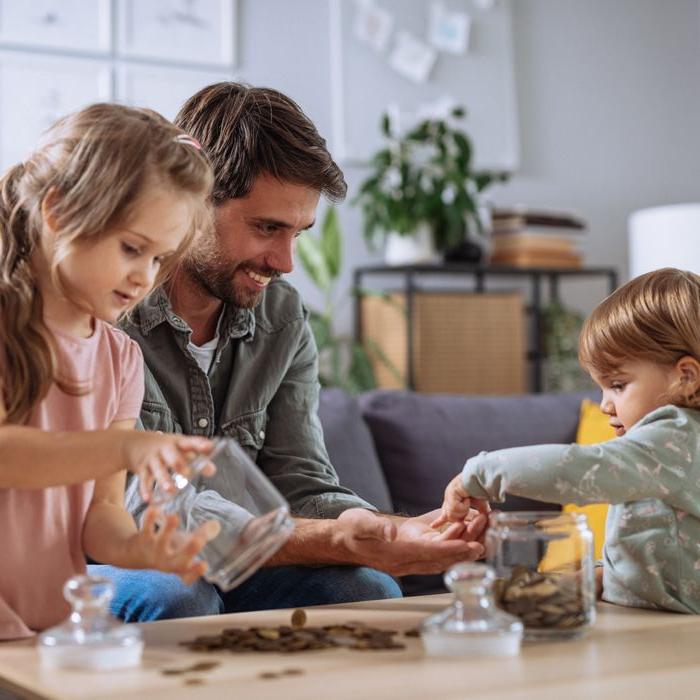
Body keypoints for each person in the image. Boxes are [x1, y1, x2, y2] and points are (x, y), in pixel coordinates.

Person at [102, 82, 487, 622]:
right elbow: (142, 510)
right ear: (190, 201)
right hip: (115, 554)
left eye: (299, 233)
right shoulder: (107, 312)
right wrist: (339, 540)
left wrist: (388, 530)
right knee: (179, 594)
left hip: (237, 564)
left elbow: (302, 482)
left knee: (365, 590)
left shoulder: (280, 317)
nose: (285, 261)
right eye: (267, 228)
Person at [0, 103, 220, 639]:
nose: (144, 277)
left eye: (158, 260)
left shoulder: (121, 358)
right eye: (131, 249)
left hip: (50, 625)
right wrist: (125, 448)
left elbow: (101, 513)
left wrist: (139, 548)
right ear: (58, 211)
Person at [434, 267, 700, 613]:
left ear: (687, 377)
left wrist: (482, 472)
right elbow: (665, 550)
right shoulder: (669, 449)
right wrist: (598, 578)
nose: (605, 405)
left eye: (618, 385)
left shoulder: (676, 436)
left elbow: (581, 469)